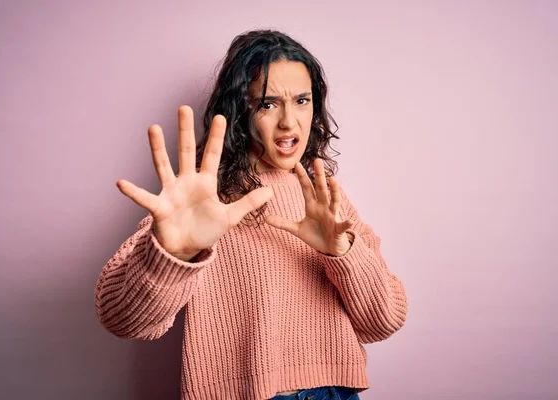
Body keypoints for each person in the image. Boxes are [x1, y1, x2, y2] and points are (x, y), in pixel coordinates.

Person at [94, 29, 408, 400]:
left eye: (302, 100)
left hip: (333, 393)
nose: (290, 122)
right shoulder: (202, 197)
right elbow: (121, 318)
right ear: (240, 108)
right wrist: (174, 254)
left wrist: (343, 254)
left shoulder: (321, 196)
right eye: (268, 103)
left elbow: (384, 320)